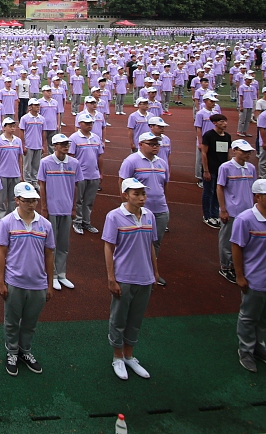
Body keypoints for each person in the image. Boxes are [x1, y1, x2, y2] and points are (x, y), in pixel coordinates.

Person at [230, 179, 266, 373]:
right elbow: (237, 248)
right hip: (256, 279)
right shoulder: (245, 219)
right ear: (258, 197)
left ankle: (259, 345)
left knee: (264, 318)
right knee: (249, 316)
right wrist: (240, 276)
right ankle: (246, 349)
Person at [103, 177, 159, 381]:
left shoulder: (149, 216)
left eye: (143, 193)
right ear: (125, 195)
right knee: (118, 318)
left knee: (136, 319)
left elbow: (151, 245)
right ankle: (117, 356)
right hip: (124, 276)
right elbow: (109, 247)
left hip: (144, 277)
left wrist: (155, 271)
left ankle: (129, 354)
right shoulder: (114, 217)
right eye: (137, 194)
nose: (142, 197)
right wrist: (111, 277)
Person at [0, 181, 54, 377]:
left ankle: (25, 350)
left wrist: (49, 283)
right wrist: (0, 281)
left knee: (30, 322)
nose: (31, 204)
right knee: (11, 321)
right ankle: (12, 351)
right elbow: (1, 253)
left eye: (34, 200)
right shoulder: (7, 223)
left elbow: (49, 255)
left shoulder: (45, 225)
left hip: (37, 283)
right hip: (15, 282)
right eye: (27, 200)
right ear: (17, 200)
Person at [118, 133, 170, 284]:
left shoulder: (162, 162)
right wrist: (127, 206)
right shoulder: (131, 161)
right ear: (141, 144)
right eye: (151, 144)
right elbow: (123, 183)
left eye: (157, 144)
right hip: (138, 211)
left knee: (155, 242)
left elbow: (164, 185)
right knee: (134, 242)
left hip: (160, 209)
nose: (155, 147)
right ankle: (131, 272)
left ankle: (152, 272)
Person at [38, 133, 80, 291]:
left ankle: (61, 273)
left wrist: (74, 207)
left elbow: (75, 186)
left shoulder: (74, 163)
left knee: (64, 243)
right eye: (62, 144)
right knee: (51, 243)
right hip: (52, 208)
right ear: (54, 146)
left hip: (66, 208)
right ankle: (52, 274)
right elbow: (42, 186)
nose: (65, 146)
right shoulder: (46, 163)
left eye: (67, 144)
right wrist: (44, 207)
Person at [216, 140, 258, 283]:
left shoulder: (251, 168)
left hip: (248, 212)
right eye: (244, 151)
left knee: (244, 240)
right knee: (227, 240)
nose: (247, 154)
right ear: (234, 150)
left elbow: (254, 189)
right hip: (233, 211)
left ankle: (237, 265)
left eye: (249, 152)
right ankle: (225, 266)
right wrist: (223, 209)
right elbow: (220, 188)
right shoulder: (226, 167)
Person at [68, 114, 103, 235]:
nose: (90, 125)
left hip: (93, 174)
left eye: (91, 123)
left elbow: (100, 156)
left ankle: (86, 221)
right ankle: (77, 221)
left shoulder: (96, 138)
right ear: (80, 123)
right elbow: (71, 157)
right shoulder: (74, 138)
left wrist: (101, 173)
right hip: (80, 175)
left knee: (89, 200)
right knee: (79, 200)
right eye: (87, 123)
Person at [201, 114, 234, 227]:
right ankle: (207, 215)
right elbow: (204, 153)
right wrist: (206, 170)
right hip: (211, 169)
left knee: (218, 192)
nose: (225, 124)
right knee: (208, 192)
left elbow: (228, 154)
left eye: (225, 121)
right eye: (221, 121)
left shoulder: (228, 136)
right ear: (214, 123)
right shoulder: (209, 135)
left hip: (222, 170)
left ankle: (215, 214)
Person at [0, 117, 26, 218]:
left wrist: (21, 173)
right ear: (4, 128)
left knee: (13, 199)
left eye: (13, 126)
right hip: (3, 174)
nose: (12, 128)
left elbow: (20, 157)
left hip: (15, 174)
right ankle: (2, 221)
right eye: (10, 126)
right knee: (1, 200)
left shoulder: (18, 141)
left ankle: (11, 219)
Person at [19, 99, 45, 182]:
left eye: (38, 105)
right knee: (27, 166)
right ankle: (28, 181)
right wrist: (23, 145)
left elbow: (43, 132)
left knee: (36, 165)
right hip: (29, 145)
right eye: (35, 105)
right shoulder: (24, 118)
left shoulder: (42, 119)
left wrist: (42, 145)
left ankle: (34, 181)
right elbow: (21, 132)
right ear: (30, 107)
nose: (38, 107)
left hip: (38, 145)